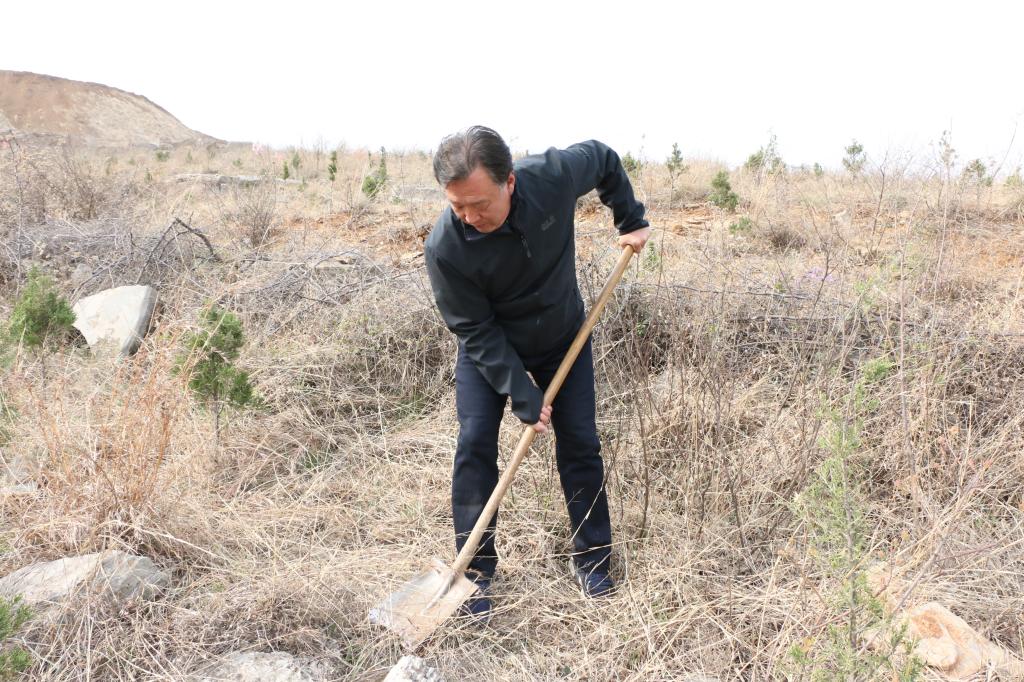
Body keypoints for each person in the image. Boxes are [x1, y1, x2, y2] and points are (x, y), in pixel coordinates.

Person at [424, 126, 651, 619]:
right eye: (457, 205)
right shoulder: (446, 246)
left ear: (509, 181)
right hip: (493, 348)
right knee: (476, 441)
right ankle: (476, 572)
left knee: (580, 441)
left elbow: (605, 159)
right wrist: (521, 392)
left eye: (478, 203)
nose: (468, 216)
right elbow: (474, 329)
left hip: (561, 336)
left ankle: (593, 560)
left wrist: (630, 218)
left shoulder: (550, 177)